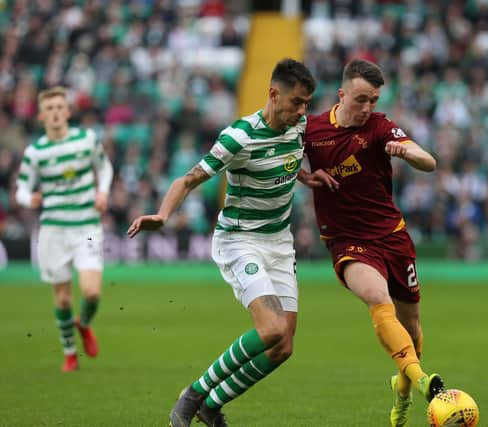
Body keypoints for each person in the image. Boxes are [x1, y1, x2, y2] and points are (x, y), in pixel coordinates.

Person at [128, 59, 332, 427]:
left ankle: (213, 403)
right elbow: (188, 179)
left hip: (279, 243)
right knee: (271, 330)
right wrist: (162, 215)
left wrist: (304, 175)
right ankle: (194, 394)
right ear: (273, 94)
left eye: (307, 104)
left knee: (283, 347)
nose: (303, 111)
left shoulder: (297, 126)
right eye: (297, 102)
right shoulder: (238, 136)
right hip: (240, 240)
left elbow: (281, 161)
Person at [300, 59, 444, 427]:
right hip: (346, 241)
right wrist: (304, 176)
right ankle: (424, 380)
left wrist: (410, 154)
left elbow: (429, 161)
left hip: (392, 237)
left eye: (374, 100)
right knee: (378, 300)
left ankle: (403, 388)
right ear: (342, 94)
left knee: (411, 328)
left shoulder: (381, 127)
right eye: (361, 99)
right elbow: (277, 161)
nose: (367, 108)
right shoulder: (311, 130)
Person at [15, 86, 113, 372]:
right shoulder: (35, 152)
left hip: (87, 225)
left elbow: (104, 168)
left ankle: (83, 324)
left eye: (60, 107)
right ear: (41, 116)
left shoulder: (87, 140)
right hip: (54, 230)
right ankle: (70, 353)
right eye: (50, 109)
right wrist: (27, 198)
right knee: (62, 296)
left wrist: (103, 192)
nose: (56, 113)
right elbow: (21, 187)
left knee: (92, 292)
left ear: (68, 112)